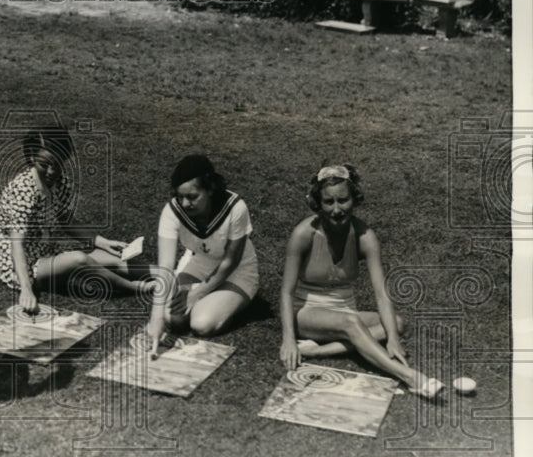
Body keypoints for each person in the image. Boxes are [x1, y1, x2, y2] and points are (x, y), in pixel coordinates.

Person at [278, 164, 443, 398]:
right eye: (329, 202)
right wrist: (288, 340)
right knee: (351, 323)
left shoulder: (365, 237)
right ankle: (411, 377)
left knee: (396, 323)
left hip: (344, 310)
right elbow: (286, 292)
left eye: (343, 200)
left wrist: (394, 341)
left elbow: (380, 293)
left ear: (355, 199)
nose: (337, 209)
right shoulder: (303, 234)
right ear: (318, 203)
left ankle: (318, 352)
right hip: (305, 311)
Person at [0, 126, 154, 315]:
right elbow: (17, 245)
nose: (52, 171)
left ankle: (166, 273)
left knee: (111, 257)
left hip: (46, 254)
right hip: (22, 267)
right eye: (45, 165)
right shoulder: (22, 192)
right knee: (80, 259)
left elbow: (66, 220)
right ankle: (133, 287)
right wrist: (27, 289)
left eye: (58, 163)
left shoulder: (60, 183)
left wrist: (103, 242)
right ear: (31, 158)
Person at [146, 154, 260, 355]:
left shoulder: (235, 207)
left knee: (202, 323)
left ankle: (240, 301)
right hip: (200, 262)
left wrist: (196, 294)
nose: (185, 203)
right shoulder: (171, 211)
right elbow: (165, 267)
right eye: (180, 196)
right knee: (173, 318)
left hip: (238, 269)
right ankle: (214, 300)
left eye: (192, 197)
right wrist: (155, 319)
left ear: (210, 189)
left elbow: (230, 262)